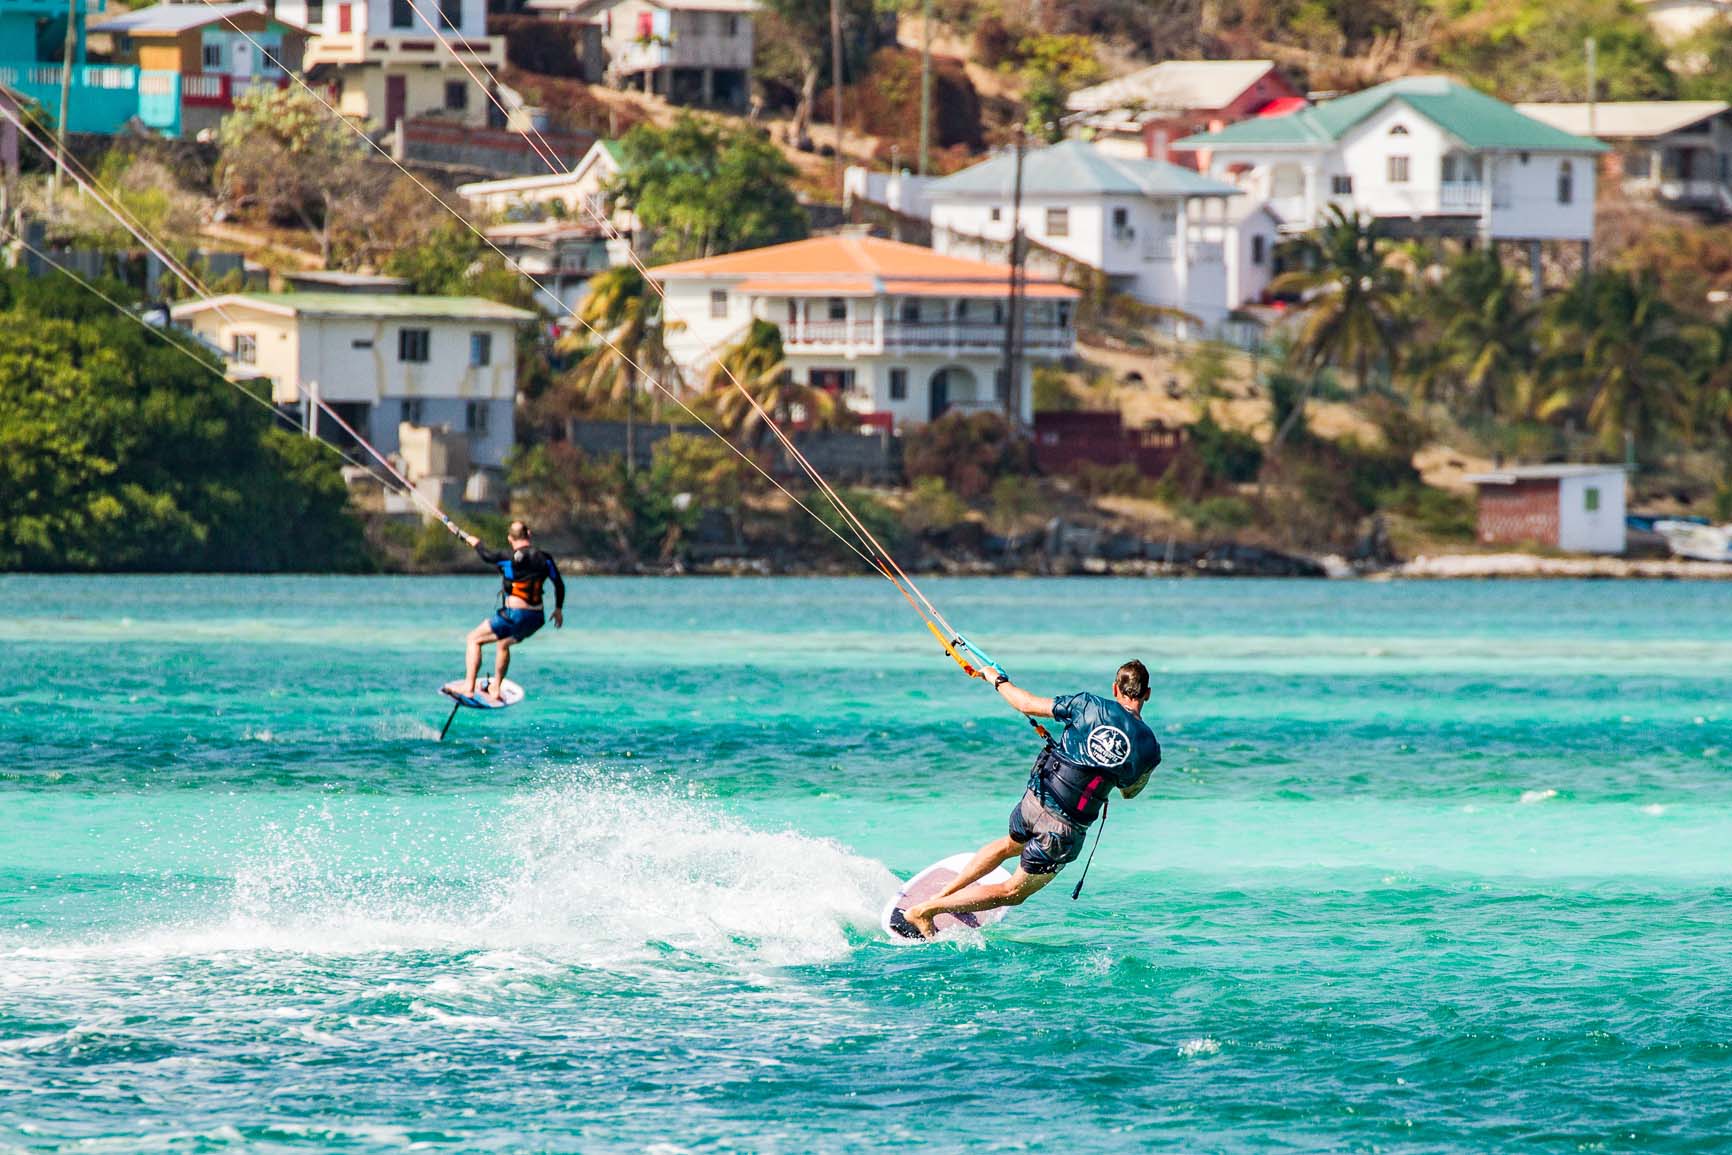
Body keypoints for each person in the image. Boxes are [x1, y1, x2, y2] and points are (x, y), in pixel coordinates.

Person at [897, 660, 1162, 940]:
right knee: (1013, 891)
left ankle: (943, 895)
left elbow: (1025, 703)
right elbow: (1129, 791)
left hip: (1037, 797)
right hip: (1062, 829)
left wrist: (996, 680)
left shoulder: (1087, 704)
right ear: (1147, 693)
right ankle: (926, 910)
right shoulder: (1149, 747)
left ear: (1115, 688)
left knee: (1009, 845)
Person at [459, 520, 564, 702]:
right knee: (503, 644)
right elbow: (558, 584)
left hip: (514, 615)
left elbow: (485, 554)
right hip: (536, 618)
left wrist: (474, 542)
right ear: (529, 534)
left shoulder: (507, 556)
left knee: (473, 639)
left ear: (510, 538)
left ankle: (468, 689)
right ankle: (495, 688)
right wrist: (558, 609)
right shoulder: (545, 558)